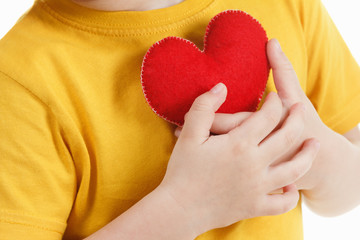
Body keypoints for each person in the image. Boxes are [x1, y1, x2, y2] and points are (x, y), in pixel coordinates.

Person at [0, 0, 359, 239]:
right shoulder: (21, 80)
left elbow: (350, 186)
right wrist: (185, 208)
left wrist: (314, 151)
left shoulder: (286, 4)